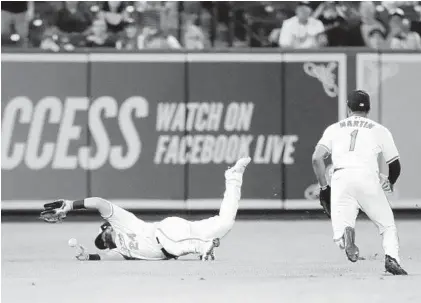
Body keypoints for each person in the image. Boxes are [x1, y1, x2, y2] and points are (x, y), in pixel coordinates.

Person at [40, 157, 251, 261]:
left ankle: (203, 248)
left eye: (103, 236)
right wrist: (89, 256)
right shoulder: (121, 251)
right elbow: (105, 258)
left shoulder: (121, 222)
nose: (104, 241)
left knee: (174, 247)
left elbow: (99, 202)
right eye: (103, 243)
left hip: (165, 232)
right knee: (225, 223)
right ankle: (233, 177)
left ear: (107, 227)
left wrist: (70, 206)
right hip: (180, 235)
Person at [311, 90, 407, 276]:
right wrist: (391, 182)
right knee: (387, 226)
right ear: (369, 109)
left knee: (340, 235)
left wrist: (324, 187)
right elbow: (394, 164)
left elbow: (316, 158)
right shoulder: (379, 130)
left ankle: (346, 234)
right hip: (368, 177)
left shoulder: (334, 129)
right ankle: (391, 257)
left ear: (348, 108)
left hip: (341, 178)